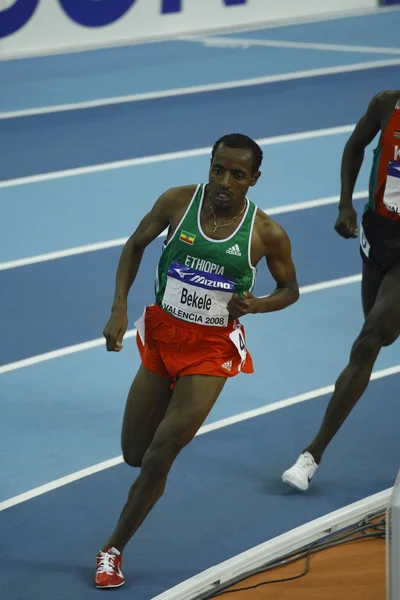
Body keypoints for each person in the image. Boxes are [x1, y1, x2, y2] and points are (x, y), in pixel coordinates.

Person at [96, 133, 299, 588]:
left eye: (237, 175)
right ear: (209, 166)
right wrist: (118, 308)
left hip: (210, 351)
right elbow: (135, 245)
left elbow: (291, 290)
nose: (224, 181)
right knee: (135, 453)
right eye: (218, 170)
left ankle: (112, 550)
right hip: (163, 337)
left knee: (160, 455)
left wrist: (257, 304)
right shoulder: (176, 202)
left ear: (254, 180)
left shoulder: (266, 233)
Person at [282, 90, 400, 492]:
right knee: (381, 333)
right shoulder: (387, 103)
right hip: (378, 234)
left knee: (367, 342)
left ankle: (311, 455)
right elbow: (355, 145)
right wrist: (344, 204)